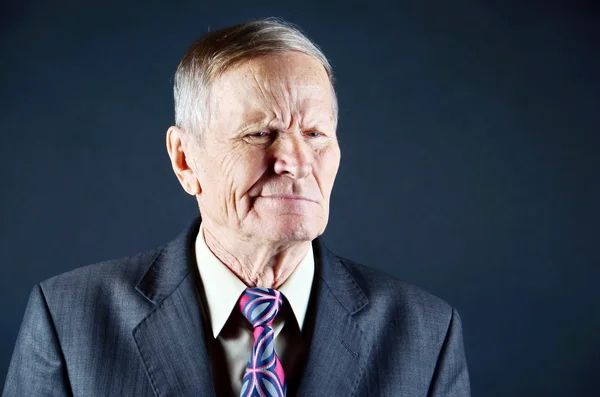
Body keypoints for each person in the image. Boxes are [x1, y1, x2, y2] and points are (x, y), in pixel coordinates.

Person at [2, 18, 471, 397]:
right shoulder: (69, 320)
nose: (295, 161)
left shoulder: (425, 334)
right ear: (185, 159)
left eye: (314, 134)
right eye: (259, 133)